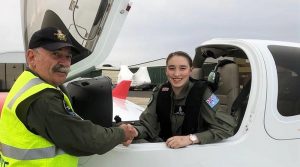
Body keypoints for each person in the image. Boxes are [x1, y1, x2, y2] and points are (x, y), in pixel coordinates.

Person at [0, 27, 136, 166]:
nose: (64, 63)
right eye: (56, 54)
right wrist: (122, 133)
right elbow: (86, 140)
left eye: (68, 57)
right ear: (31, 57)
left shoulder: (29, 83)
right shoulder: (42, 98)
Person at [130, 51, 237, 149]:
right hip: (165, 148)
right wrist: (134, 131)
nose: (177, 74)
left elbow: (226, 129)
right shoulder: (160, 91)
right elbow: (148, 125)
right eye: (172, 68)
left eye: (182, 68)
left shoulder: (203, 93)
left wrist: (190, 139)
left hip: (193, 152)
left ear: (190, 70)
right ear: (166, 71)